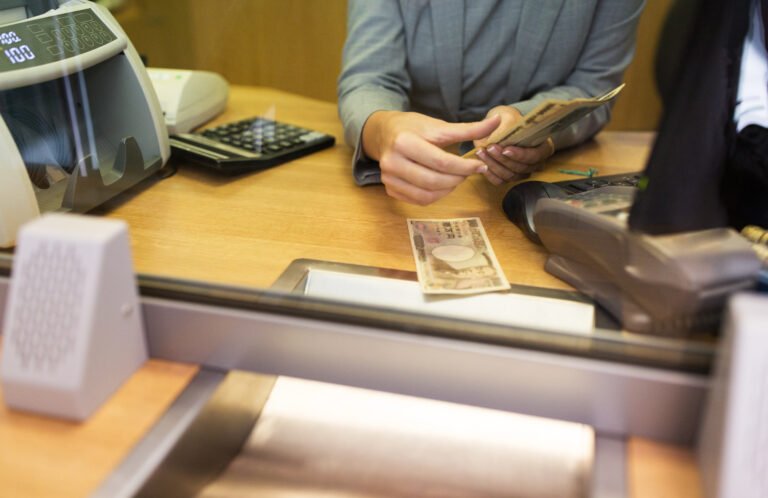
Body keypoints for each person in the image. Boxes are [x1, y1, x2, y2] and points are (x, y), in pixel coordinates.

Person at [337, 0, 645, 205]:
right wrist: (384, 131)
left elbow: (595, 88)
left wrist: (531, 126)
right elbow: (369, 78)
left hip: (527, 189)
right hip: (406, 183)